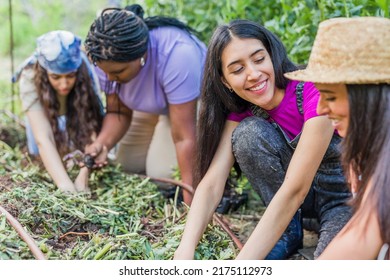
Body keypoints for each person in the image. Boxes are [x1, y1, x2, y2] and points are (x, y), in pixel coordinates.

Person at [174, 19, 352, 260]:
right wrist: (185, 250)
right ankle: (288, 231)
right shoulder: (241, 114)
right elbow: (212, 183)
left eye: (259, 60)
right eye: (237, 70)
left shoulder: (313, 91)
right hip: (294, 211)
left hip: (341, 203)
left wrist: (241, 265)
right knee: (247, 134)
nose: (254, 74)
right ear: (225, 81)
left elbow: (295, 189)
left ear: (271, 55)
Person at [285, 16, 390, 260]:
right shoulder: (368, 154)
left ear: (368, 99)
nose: (320, 108)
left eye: (330, 97)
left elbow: (359, 241)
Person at [84, 4, 206, 205]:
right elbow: (117, 111)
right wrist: (101, 144)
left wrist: (191, 203)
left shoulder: (177, 55)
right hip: (150, 105)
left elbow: (184, 137)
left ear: (142, 57)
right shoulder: (104, 57)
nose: (110, 79)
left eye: (118, 72)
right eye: (106, 73)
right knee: (126, 166)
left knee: (162, 174)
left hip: (190, 106)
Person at [13, 30, 104, 193]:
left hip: (73, 109)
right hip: (44, 110)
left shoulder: (84, 69)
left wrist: (84, 172)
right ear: (45, 71)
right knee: (38, 151)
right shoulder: (30, 75)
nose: (64, 84)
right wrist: (66, 187)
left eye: (70, 76)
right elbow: (44, 138)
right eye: (56, 77)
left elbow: (91, 124)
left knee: (76, 141)